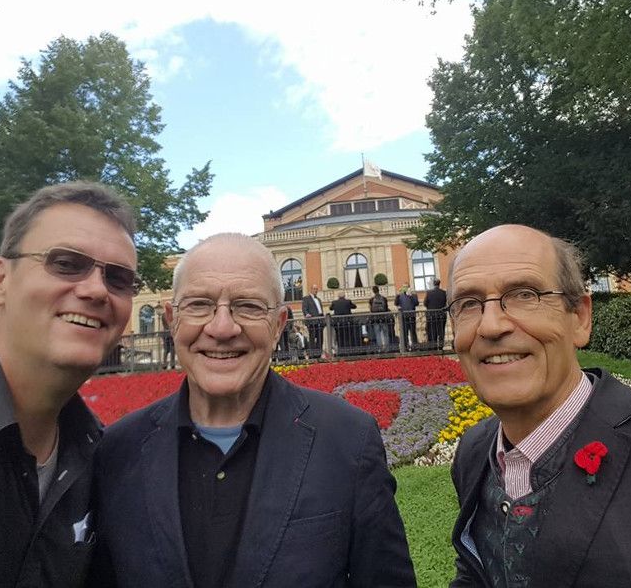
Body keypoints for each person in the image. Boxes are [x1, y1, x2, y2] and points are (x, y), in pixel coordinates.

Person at [89, 233, 416, 588]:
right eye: (199, 304)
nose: (223, 328)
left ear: (278, 326)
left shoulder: (348, 440)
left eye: (248, 306)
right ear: (172, 319)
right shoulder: (117, 450)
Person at [447, 224, 631, 588]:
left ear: (580, 317)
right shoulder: (474, 452)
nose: (491, 326)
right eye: (468, 304)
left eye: (525, 294)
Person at [0, 182, 138, 587]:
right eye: (66, 263)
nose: (97, 290)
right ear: (0, 281)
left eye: (118, 279)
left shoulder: (101, 455)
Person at [329, 290, 357, 356]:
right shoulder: (348, 301)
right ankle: (348, 351)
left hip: (338, 323)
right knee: (348, 337)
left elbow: (330, 308)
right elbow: (354, 306)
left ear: (338, 296)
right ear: (344, 296)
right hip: (347, 323)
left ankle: (341, 351)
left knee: (339, 338)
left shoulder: (334, 302)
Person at [301, 283, 325, 358]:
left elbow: (320, 310)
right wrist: (306, 314)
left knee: (320, 338)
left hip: (320, 321)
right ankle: (312, 354)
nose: (316, 290)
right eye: (314, 289)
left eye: (316, 289)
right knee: (312, 338)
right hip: (312, 321)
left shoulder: (318, 299)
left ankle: (319, 353)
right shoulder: (306, 298)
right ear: (311, 289)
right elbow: (304, 308)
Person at [424, 278, 447, 351]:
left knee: (432, 331)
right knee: (441, 331)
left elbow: (425, 303)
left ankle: (433, 347)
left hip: (431, 315)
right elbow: (445, 303)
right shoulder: (444, 292)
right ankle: (440, 346)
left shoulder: (429, 293)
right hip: (441, 315)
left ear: (433, 284)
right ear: (439, 284)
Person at [394, 283, 419, 350]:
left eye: (406, 287)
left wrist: (411, 296)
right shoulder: (400, 295)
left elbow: (416, 303)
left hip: (412, 316)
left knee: (413, 332)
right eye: (403, 287)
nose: (405, 288)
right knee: (404, 333)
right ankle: (405, 347)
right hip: (403, 317)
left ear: (409, 288)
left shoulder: (413, 295)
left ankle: (415, 346)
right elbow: (396, 303)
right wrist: (397, 295)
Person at [368, 285, 390, 351]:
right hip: (383, 318)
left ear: (373, 291)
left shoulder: (371, 300)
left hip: (376, 319)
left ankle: (380, 349)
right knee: (386, 334)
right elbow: (386, 308)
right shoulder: (384, 298)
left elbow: (371, 310)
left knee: (378, 334)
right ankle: (387, 348)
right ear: (378, 290)